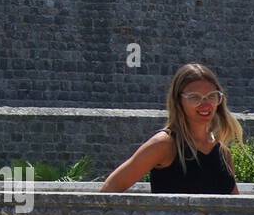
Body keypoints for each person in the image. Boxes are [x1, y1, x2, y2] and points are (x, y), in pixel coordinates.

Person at [100, 63, 242, 194]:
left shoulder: (223, 153)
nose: (205, 104)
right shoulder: (164, 145)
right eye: (194, 97)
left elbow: (235, 208)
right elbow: (109, 190)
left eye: (211, 96)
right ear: (178, 101)